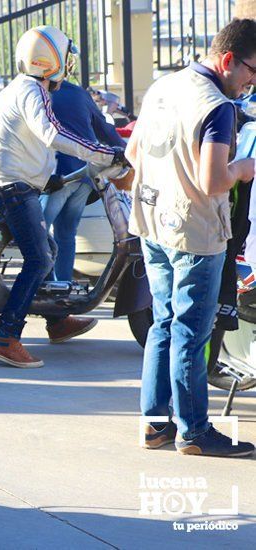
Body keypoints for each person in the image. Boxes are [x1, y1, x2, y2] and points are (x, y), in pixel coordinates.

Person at [128, 18, 256, 457]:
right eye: (252, 72)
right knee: (190, 332)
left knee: (163, 324)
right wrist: (244, 168)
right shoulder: (218, 106)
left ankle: (154, 425)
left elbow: (132, 153)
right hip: (195, 232)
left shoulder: (164, 87)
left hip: (152, 220)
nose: (251, 83)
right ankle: (195, 432)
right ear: (228, 60)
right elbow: (213, 180)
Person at [0, 26, 123, 369]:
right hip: (11, 187)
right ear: (50, 61)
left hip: (12, 183)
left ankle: (56, 321)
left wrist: (49, 179)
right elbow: (51, 134)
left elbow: (26, 142)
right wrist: (101, 154)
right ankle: (6, 337)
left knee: (51, 249)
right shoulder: (33, 90)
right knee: (41, 258)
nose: (68, 66)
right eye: (65, 58)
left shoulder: (22, 88)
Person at [41, 80, 127, 282]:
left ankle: (42, 288)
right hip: (84, 175)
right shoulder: (78, 93)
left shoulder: (39, 92)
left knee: (40, 234)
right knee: (66, 234)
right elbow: (104, 129)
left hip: (58, 175)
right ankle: (63, 288)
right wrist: (125, 152)